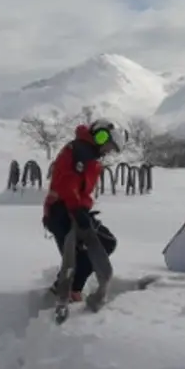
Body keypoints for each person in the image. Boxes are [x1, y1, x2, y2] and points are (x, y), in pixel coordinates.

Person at [43, 119, 122, 301]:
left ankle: (67, 289)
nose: (107, 151)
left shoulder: (87, 153)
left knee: (94, 248)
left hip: (71, 210)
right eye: (108, 146)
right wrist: (77, 210)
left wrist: (81, 210)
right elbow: (67, 184)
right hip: (62, 212)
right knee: (84, 252)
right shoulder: (81, 152)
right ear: (100, 136)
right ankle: (66, 292)